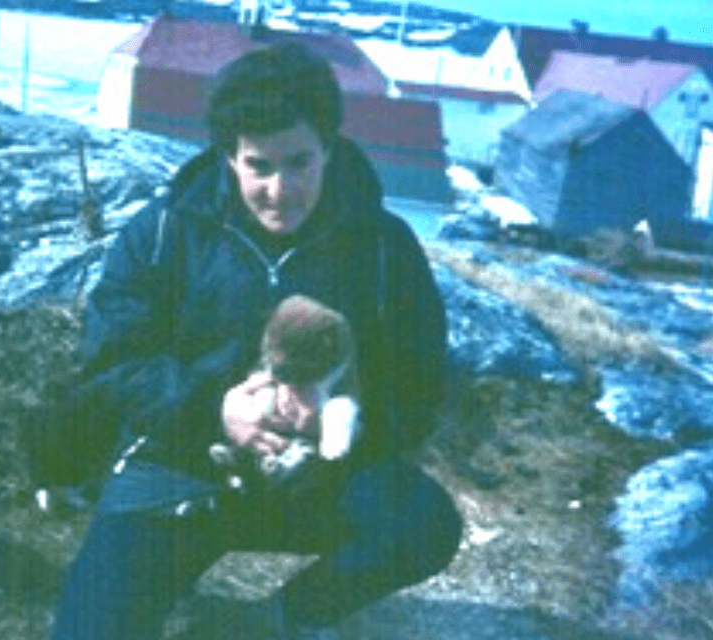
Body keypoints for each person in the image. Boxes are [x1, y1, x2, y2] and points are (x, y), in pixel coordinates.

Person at [43, 42, 462, 640]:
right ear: (228, 157)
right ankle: (160, 581)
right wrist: (215, 409)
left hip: (318, 477)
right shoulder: (164, 231)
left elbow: (420, 389)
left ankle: (279, 621)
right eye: (258, 166)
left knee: (424, 524)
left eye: (300, 163)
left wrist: (337, 427)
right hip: (181, 464)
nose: (279, 189)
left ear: (330, 148)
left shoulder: (383, 248)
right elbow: (112, 367)